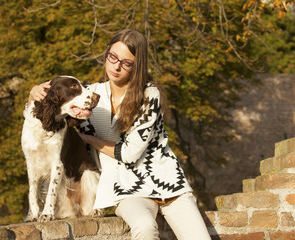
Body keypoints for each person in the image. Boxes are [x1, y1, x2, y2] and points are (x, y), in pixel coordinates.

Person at [28, 29, 211, 240]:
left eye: (126, 63)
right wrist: (34, 95)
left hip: (169, 183)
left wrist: (88, 139)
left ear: (137, 66)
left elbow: (130, 153)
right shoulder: (91, 95)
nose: (116, 66)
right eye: (113, 57)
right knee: (144, 227)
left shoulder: (149, 95)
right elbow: (52, 113)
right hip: (125, 189)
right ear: (106, 54)